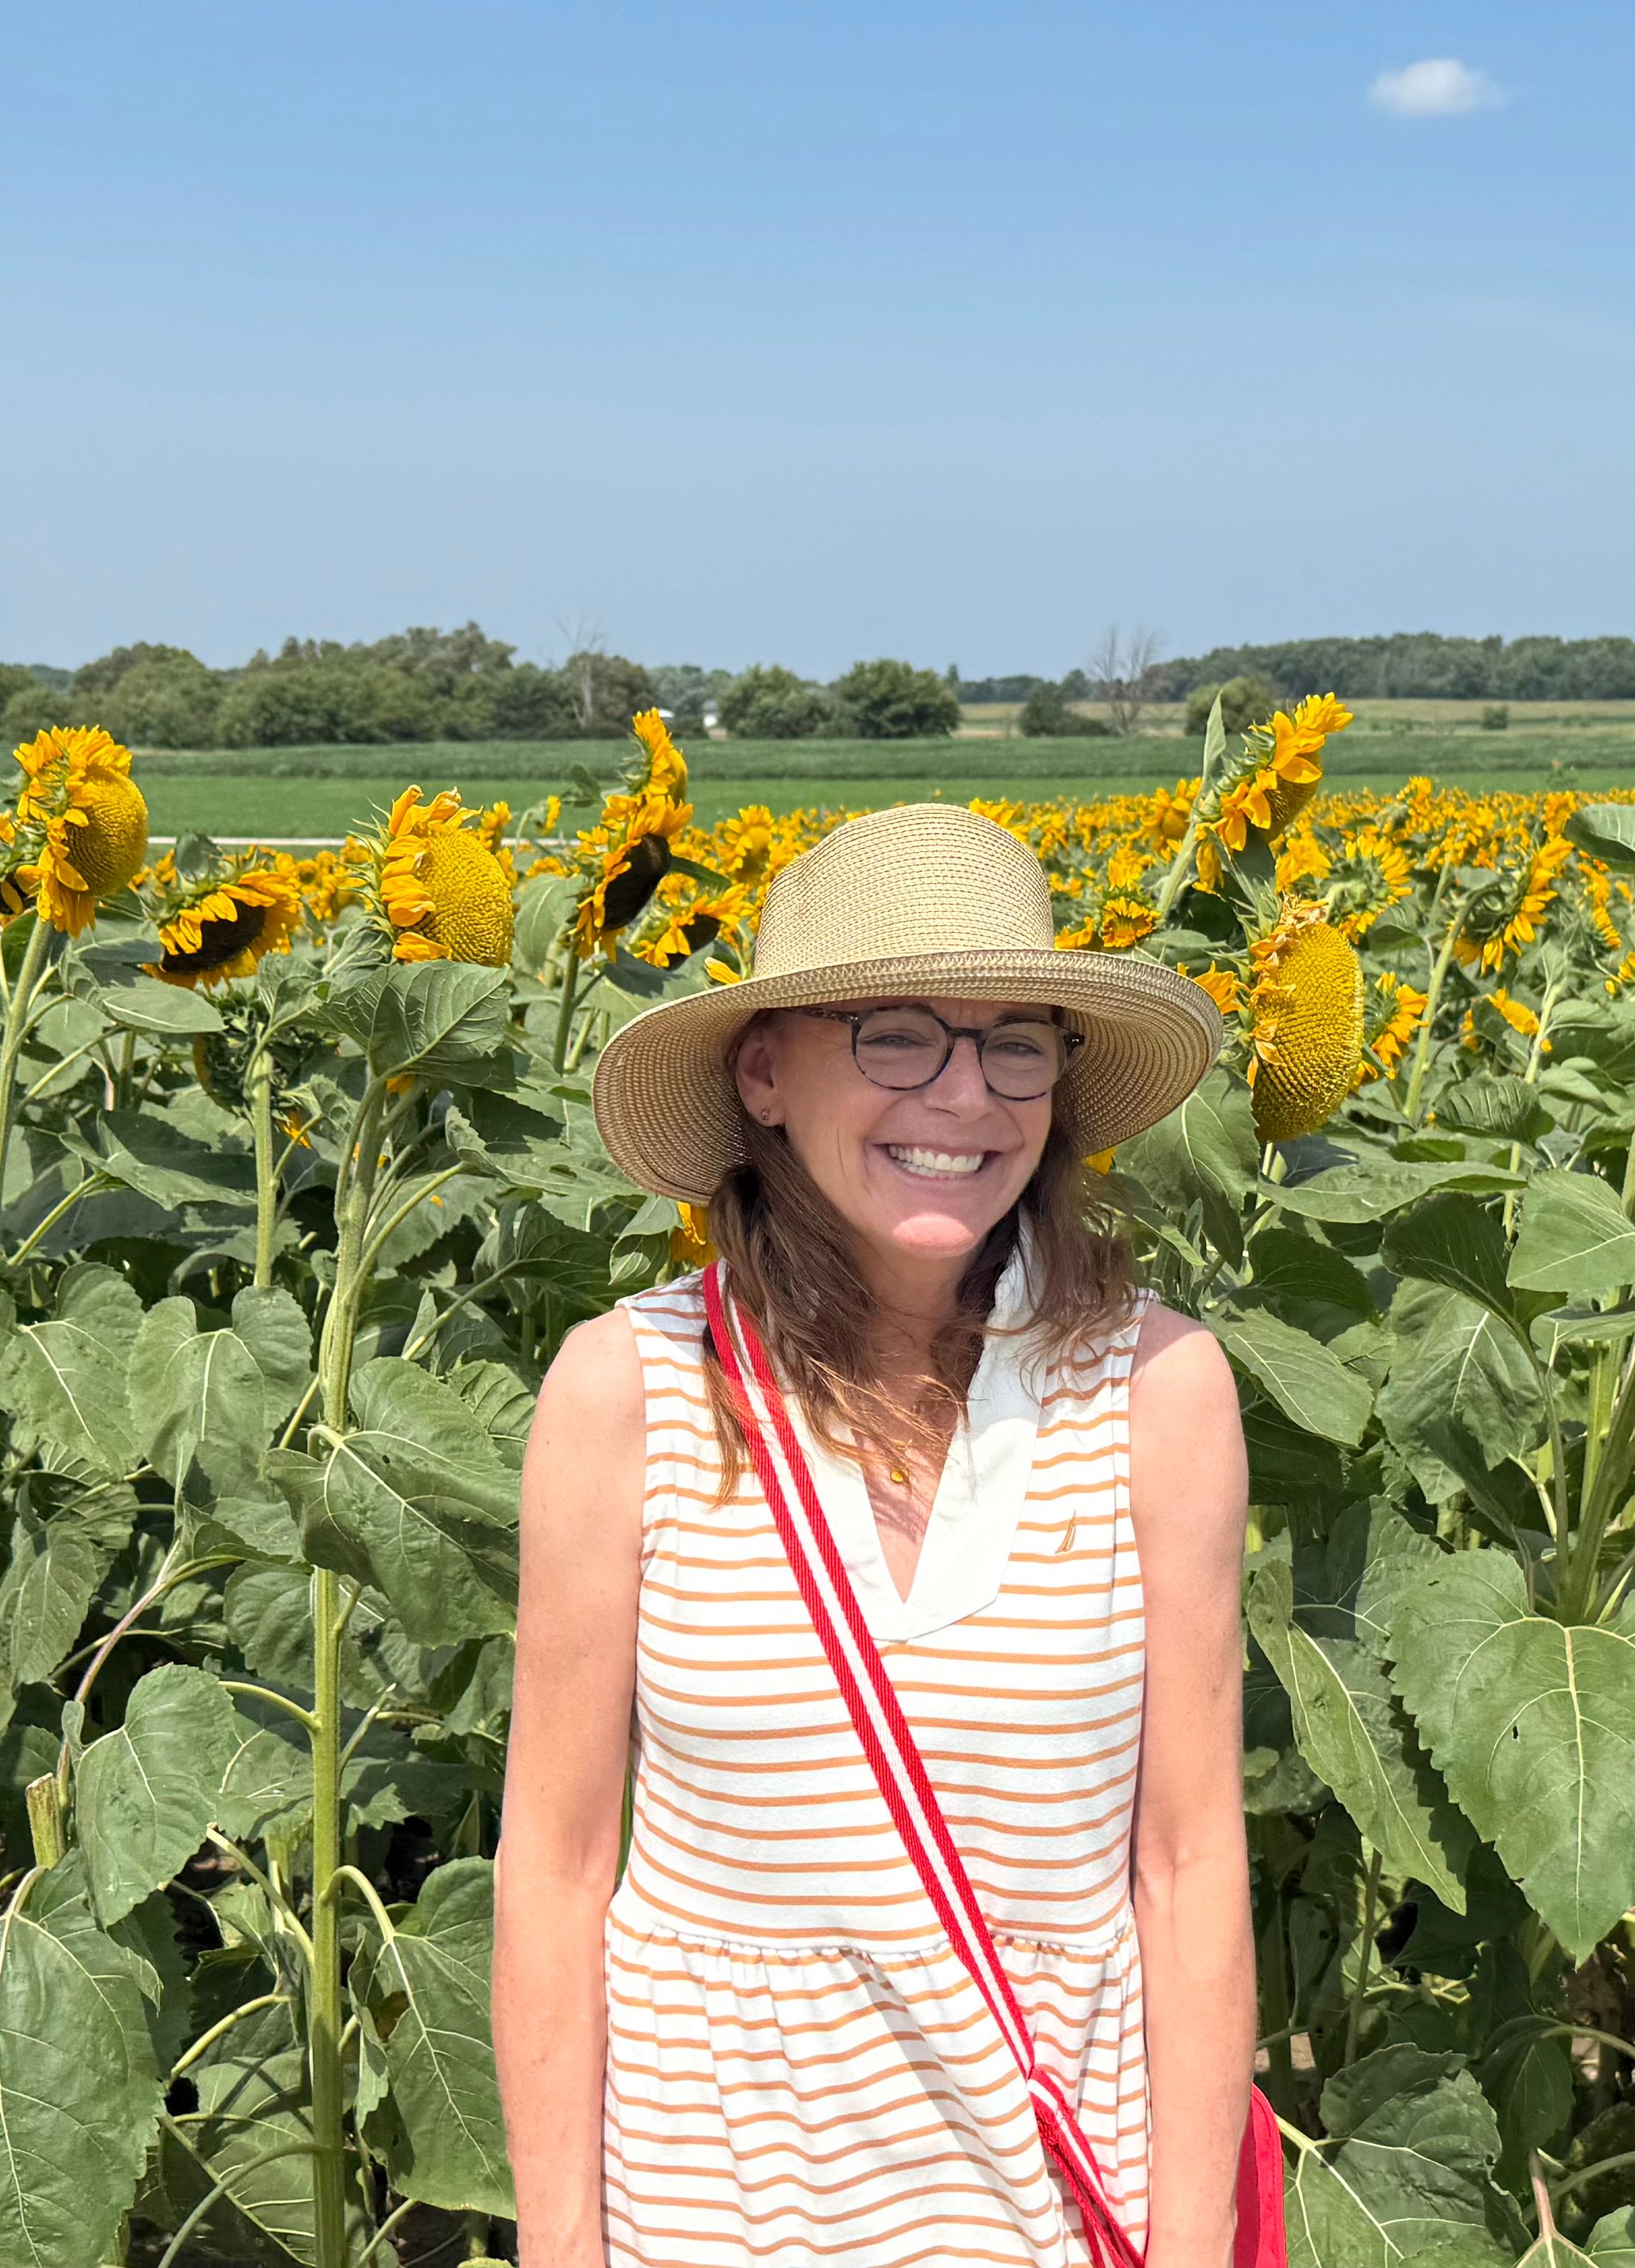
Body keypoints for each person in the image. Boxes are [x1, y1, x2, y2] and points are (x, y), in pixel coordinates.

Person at [495, 801, 1260, 2267]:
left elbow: (1189, 1865)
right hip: (708, 2221)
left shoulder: (1158, 1392)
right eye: (897, 1035)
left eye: (1013, 1042)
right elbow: (557, 1863)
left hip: (1044, 2219)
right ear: (767, 1071)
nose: (963, 1096)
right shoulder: (633, 1390)